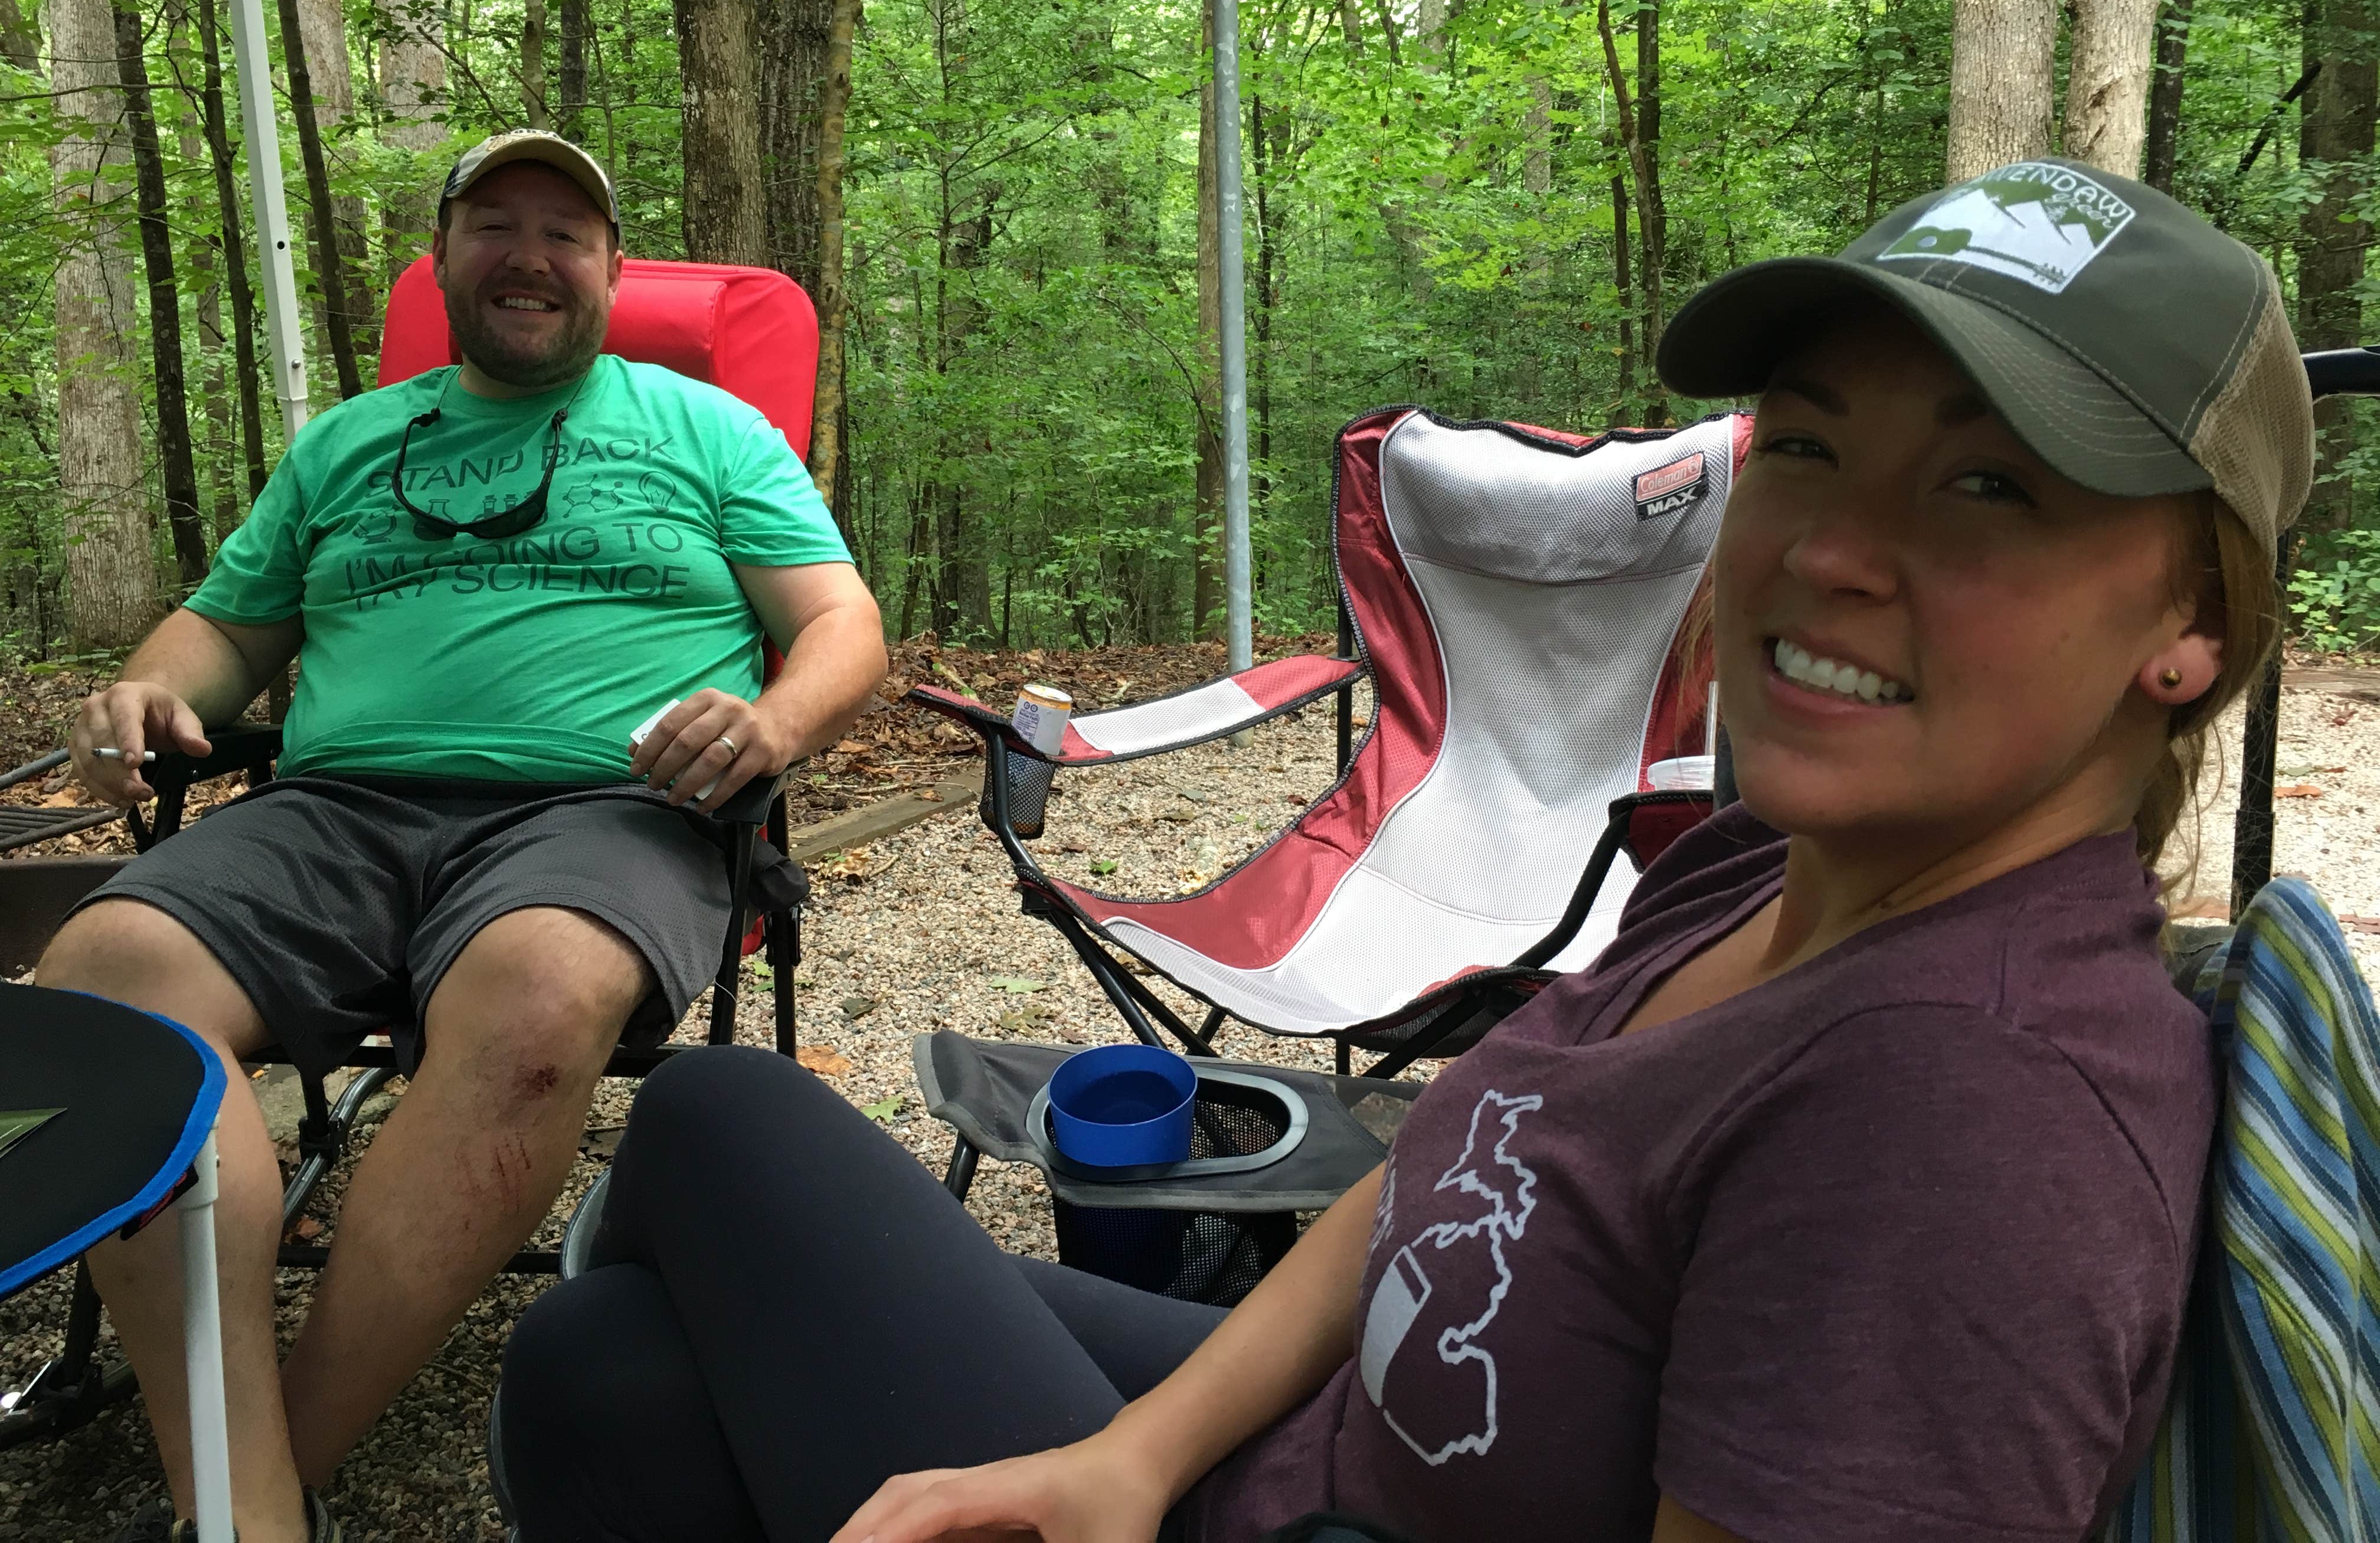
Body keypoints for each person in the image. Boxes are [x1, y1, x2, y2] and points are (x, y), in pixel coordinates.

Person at [493, 156, 2310, 1543]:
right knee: (605, 1374)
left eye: (1993, 486)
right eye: (1816, 447)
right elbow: (1463, 1129)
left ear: (2196, 630)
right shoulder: (1775, 857)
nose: (1832, 549)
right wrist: (1129, 1463)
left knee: (717, 1127)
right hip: (1326, 1450)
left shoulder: (1961, 1123)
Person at [35, 130, 887, 1543]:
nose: (531, 255)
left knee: (541, 994)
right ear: (443, 263)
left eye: (568, 232)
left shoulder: (708, 430)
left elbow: (840, 625)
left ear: (613, 272)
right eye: (497, 224)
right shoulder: (350, 444)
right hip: (334, 811)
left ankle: (255, 1492)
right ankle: (249, 1503)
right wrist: (147, 692)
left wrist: (775, 728)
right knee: (107, 972)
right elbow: (229, 631)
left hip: (613, 808)